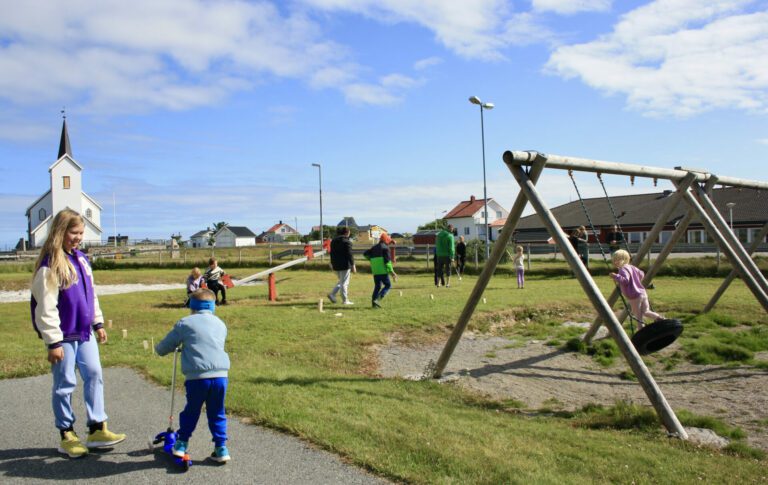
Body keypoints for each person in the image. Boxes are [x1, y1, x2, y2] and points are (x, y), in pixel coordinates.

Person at [30, 209, 126, 458]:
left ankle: (97, 428)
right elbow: (46, 307)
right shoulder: (49, 265)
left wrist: (98, 323)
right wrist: (53, 342)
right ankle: (67, 434)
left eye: (81, 233)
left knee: (94, 373)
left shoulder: (81, 259)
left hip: (84, 333)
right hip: (63, 337)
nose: (78, 237)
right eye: (74, 232)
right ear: (61, 232)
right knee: (65, 384)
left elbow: (90, 295)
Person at [155, 288, 231, 463]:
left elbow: (167, 344)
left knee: (192, 410)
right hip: (221, 376)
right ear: (213, 307)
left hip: (197, 377)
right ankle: (221, 448)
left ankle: (181, 444)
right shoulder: (220, 324)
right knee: (217, 412)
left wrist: (159, 350)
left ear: (192, 307)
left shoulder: (185, 323)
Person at [610, 249, 662, 330]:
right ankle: (660, 318)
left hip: (634, 296)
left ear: (624, 259)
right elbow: (641, 274)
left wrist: (616, 276)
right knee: (646, 311)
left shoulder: (622, 269)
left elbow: (625, 281)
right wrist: (636, 280)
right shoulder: (632, 267)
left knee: (638, 316)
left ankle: (641, 331)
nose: (615, 262)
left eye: (617, 260)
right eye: (614, 260)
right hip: (642, 293)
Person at [364, 233, 398, 308]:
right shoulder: (385, 248)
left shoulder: (374, 247)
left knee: (377, 286)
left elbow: (365, 254)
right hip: (382, 270)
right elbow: (387, 262)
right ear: (386, 240)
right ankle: (378, 300)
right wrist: (392, 273)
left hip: (375, 270)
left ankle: (373, 304)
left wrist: (372, 260)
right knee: (388, 285)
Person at [328, 226, 356, 305]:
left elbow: (332, 253)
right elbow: (349, 254)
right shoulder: (347, 242)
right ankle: (345, 300)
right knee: (344, 283)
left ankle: (332, 294)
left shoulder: (333, 241)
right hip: (345, 265)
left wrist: (332, 263)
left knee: (341, 281)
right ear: (347, 233)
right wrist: (353, 265)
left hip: (335, 265)